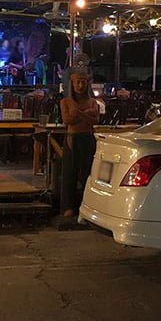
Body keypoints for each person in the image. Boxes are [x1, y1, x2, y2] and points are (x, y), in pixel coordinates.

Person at [59, 68, 99, 222]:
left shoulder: (92, 101)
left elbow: (95, 120)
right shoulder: (66, 101)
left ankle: (86, 205)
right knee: (69, 173)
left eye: (83, 82)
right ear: (72, 84)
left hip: (87, 138)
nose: (80, 85)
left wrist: (79, 114)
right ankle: (68, 206)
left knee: (87, 173)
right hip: (72, 138)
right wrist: (86, 113)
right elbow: (68, 119)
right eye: (78, 82)